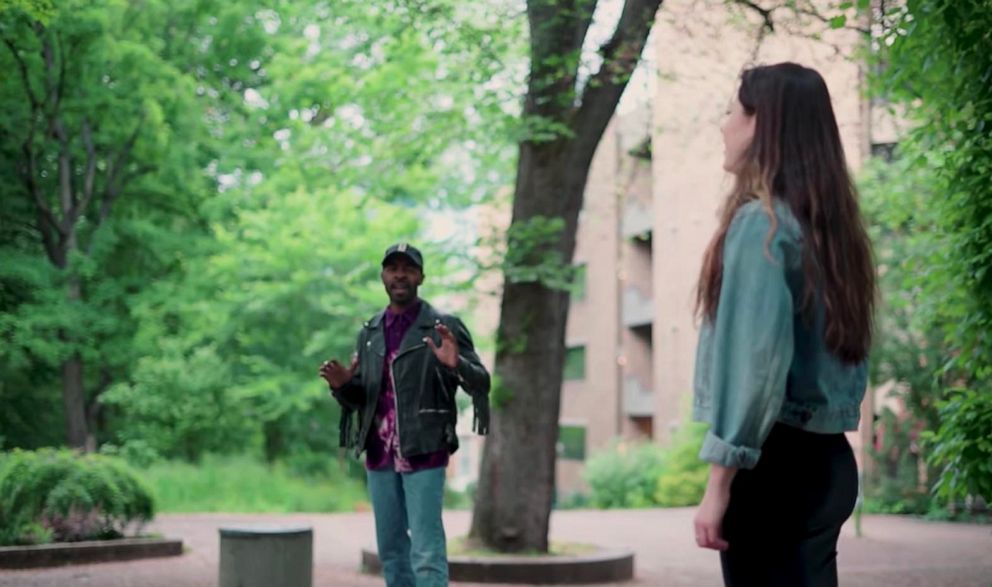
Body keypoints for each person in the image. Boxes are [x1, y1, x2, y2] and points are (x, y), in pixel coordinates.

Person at [691, 62, 876, 586]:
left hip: (771, 469)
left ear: (761, 124)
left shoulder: (761, 226)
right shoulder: (832, 235)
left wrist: (720, 480)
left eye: (732, 112)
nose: (723, 125)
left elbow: (757, 365)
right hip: (827, 464)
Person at [320, 243, 490, 587]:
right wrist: (342, 387)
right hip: (379, 457)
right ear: (383, 275)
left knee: (426, 554)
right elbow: (363, 399)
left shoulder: (443, 327)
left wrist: (456, 364)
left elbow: (482, 382)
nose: (400, 274)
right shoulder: (369, 333)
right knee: (393, 551)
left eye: (408, 268)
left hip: (424, 451)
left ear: (421, 276)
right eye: (392, 268)